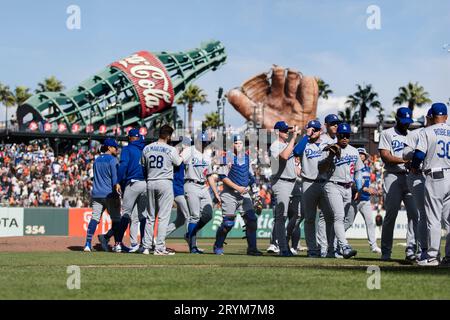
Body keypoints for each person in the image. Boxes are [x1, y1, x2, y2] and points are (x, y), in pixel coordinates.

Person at [378, 107, 418, 261]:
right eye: (403, 121)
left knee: (414, 215)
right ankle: (386, 251)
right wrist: (405, 161)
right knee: (391, 216)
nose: (406, 125)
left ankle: (410, 249)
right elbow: (385, 156)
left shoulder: (413, 135)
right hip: (393, 175)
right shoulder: (387, 133)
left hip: (409, 176)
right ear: (397, 119)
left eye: (408, 122)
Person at [98, 129, 147, 253]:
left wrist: (118, 181)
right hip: (145, 184)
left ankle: (118, 243)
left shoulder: (127, 149)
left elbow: (124, 166)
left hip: (133, 183)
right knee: (142, 216)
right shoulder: (144, 149)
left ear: (130, 138)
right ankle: (143, 245)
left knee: (125, 214)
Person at [413, 102, 450, 266]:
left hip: (435, 176)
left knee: (433, 219)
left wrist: (414, 166)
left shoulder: (426, 131)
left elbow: (419, 154)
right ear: (446, 117)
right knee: (449, 220)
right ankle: (449, 257)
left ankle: (433, 257)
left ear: (430, 116)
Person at [319, 123, 363, 259]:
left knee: (340, 219)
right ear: (337, 135)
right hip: (332, 185)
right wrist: (330, 156)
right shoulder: (329, 148)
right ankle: (344, 246)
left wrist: (359, 188)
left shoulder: (354, 151)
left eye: (347, 135)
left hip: (348, 188)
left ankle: (332, 249)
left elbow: (358, 172)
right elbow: (321, 169)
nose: (344, 138)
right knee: (338, 216)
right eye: (342, 135)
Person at [213, 134, 262, 256]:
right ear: (232, 144)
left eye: (240, 143)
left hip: (244, 194)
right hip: (230, 194)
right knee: (228, 223)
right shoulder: (227, 157)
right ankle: (218, 245)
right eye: (236, 143)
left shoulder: (246, 158)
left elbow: (251, 177)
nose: (239, 145)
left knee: (251, 220)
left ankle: (252, 249)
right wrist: (238, 188)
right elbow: (222, 177)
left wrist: (256, 194)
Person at [293, 119, 334, 258]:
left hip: (324, 182)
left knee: (329, 216)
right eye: (310, 129)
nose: (312, 131)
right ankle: (312, 249)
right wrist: (306, 136)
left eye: (314, 130)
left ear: (320, 131)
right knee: (310, 218)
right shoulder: (304, 143)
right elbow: (296, 151)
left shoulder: (326, 143)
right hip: (308, 182)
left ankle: (329, 248)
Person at [141, 125, 183, 255]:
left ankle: (146, 247)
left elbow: (143, 166)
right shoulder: (171, 149)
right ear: (169, 136)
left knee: (150, 217)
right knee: (163, 217)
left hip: (150, 181)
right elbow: (178, 163)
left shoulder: (147, 148)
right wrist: (182, 155)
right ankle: (159, 248)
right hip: (165, 182)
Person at [402, 107, 434, 261]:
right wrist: (416, 154)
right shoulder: (415, 134)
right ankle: (424, 250)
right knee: (423, 213)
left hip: (435, 175)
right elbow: (405, 153)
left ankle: (434, 251)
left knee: (434, 215)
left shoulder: (441, 132)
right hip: (418, 175)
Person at [269, 121, 303, 256]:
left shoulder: (287, 145)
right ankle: (282, 247)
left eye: (287, 130)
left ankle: (285, 241)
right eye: (284, 130)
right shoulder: (275, 145)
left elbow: (293, 165)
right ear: (277, 132)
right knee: (281, 217)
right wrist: (294, 138)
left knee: (298, 214)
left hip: (293, 182)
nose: (287, 132)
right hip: (281, 182)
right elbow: (283, 157)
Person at [182, 132, 218, 253]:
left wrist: (216, 193)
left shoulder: (206, 156)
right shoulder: (189, 150)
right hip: (191, 184)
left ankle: (190, 234)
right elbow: (178, 162)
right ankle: (193, 246)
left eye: (205, 142)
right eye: (202, 142)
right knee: (195, 216)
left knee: (208, 214)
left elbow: (209, 176)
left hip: (203, 186)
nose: (203, 144)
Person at [83, 138, 121, 252]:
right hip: (109, 194)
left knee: (94, 218)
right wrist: (117, 191)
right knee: (117, 220)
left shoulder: (97, 160)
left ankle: (87, 244)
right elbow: (115, 179)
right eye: (115, 147)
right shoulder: (113, 160)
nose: (117, 149)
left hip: (96, 193)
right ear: (109, 148)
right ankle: (111, 241)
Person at [344, 148, 382, 253]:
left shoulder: (367, 168)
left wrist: (375, 190)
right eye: (359, 154)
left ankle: (373, 246)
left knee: (370, 222)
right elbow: (354, 184)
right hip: (355, 200)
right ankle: (336, 241)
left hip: (365, 200)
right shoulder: (353, 168)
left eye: (362, 154)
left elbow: (367, 184)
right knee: (348, 222)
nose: (361, 156)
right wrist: (368, 189)